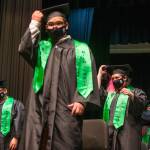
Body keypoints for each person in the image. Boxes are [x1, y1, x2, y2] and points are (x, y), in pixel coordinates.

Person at [18, 3, 100, 150]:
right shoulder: (43, 48)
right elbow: (24, 48)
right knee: (36, 143)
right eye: (50, 24)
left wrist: (81, 101)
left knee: (65, 143)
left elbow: (87, 76)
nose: (55, 27)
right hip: (39, 108)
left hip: (65, 109)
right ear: (46, 28)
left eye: (59, 23)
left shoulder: (80, 49)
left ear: (66, 25)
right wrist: (35, 22)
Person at [97, 64, 148, 150]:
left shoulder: (136, 92)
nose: (114, 80)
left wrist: (131, 95)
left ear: (124, 78)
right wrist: (99, 75)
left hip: (128, 136)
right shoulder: (111, 96)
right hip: (112, 135)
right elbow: (98, 93)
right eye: (112, 78)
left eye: (117, 78)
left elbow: (140, 108)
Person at [0, 80, 24, 150]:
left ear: (5, 91)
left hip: (9, 140)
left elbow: (19, 121)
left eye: (0, 90)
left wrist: (16, 137)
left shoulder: (15, 104)